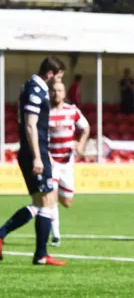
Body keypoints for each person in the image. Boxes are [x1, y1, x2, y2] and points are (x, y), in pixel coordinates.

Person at [0, 56, 67, 266]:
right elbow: (30, 125)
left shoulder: (32, 87)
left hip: (35, 151)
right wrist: (38, 156)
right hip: (33, 152)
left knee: (40, 202)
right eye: (58, 77)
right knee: (46, 200)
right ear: (50, 73)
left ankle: (9, 238)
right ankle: (40, 254)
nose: (58, 83)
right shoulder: (35, 90)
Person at [48, 81, 91, 247]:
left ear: (64, 94)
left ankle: (51, 198)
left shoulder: (72, 111)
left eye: (59, 90)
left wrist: (80, 144)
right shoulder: (45, 113)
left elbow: (86, 128)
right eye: (53, 90)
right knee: (51, 199)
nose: (56, 93)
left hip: (67, 162)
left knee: (66, 202)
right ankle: (56, 236)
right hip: (51, 162)